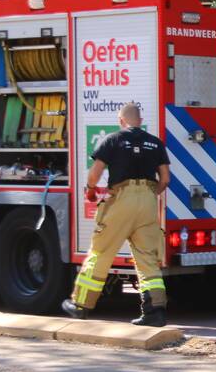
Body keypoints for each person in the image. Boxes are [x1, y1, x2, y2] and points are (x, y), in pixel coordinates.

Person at [62, 102, 171, 326]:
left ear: (121, 120)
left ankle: (80, 305)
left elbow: (94, 175)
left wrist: (91, 191)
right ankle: (155, 312)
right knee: (147, 258)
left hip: (122, 199)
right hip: (149, 201)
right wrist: (150, 194)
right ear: (140, 121)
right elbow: (166, 179)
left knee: (101, 252)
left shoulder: (113, 140)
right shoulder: (155, 143)